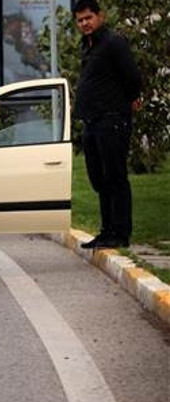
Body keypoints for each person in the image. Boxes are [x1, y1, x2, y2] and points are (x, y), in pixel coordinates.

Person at [73, 0, 142, 249]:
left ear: (100, 16)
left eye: (88, 18)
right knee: (99, 179)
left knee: (115, 177)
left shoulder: (113, 43)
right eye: (80, 20)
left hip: (112, 120)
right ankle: (106, 230)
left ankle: (120, 233)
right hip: (92, 122)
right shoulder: (87, 45)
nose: (85, 23)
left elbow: (132, 76)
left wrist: (132, 98)